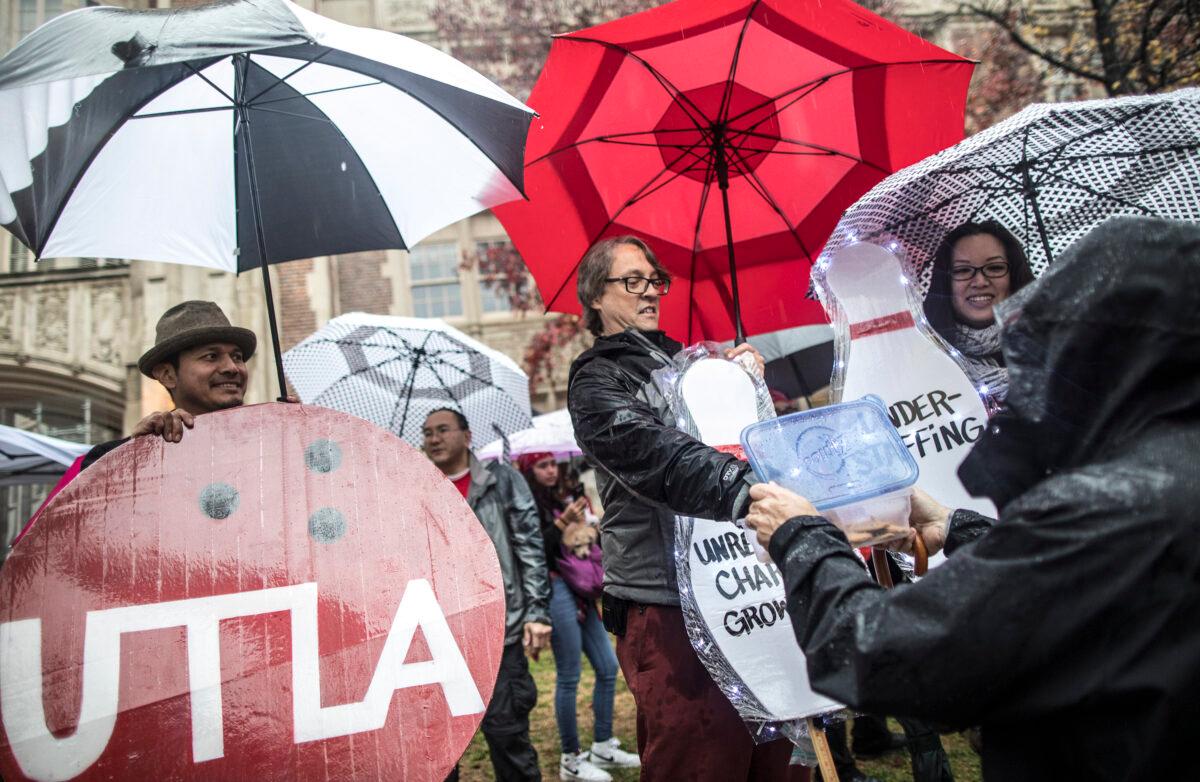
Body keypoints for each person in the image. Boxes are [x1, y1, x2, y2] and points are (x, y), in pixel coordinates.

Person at [746, 218, 1200, 781]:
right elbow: (1062, 582)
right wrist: (957, 524)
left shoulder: (1114, 503)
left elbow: (882, 654)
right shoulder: (1164, 474)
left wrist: (801, 534)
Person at [567, 235, 791, 781]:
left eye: (656, 280)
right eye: (633, 281)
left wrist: (743, 386)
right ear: (596, 295)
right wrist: (746, 490)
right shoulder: (596, 379)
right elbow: (654, 454)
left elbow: (761, 447)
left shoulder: (695, 363)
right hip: (666, 606)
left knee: (778, 757)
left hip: (747, 587)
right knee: (700, 758)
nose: (651, 292)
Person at [423, 408, 552, 782]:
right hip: (439, 637)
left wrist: (537, 613)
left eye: (443, 430)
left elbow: (529, 547)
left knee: (507, 735)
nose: (433, 438)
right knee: (437, 750)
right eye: (427, 432)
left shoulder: (502, 481)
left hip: (498, 634)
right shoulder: (419, 488)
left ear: (467, 436)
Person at [517, 452, 639, 782]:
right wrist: (561, 523)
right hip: (554, 589)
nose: (550, 470)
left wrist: (588, 523)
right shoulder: (526, 501)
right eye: (542, 465)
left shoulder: (569, 495)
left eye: (552, 464)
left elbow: (587, 545)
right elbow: (534, 551)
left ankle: (602, 744)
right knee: (570, 673)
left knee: (606, 666)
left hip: (581, 587)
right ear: (530, 470)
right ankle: (570, 759)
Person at [80, 299, 257, 470]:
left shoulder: (269, 439)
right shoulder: (104, 461)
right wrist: (135, 454)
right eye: (211, 356)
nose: (232, 368)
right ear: (167, 375)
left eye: (237, 357)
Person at [922, 221, 1034, 402]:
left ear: (1013, 275)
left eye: (995, 268)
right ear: (945, 282)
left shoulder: (1057, 348)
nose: (980, 281)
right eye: (963, 270)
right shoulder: (924, 362)